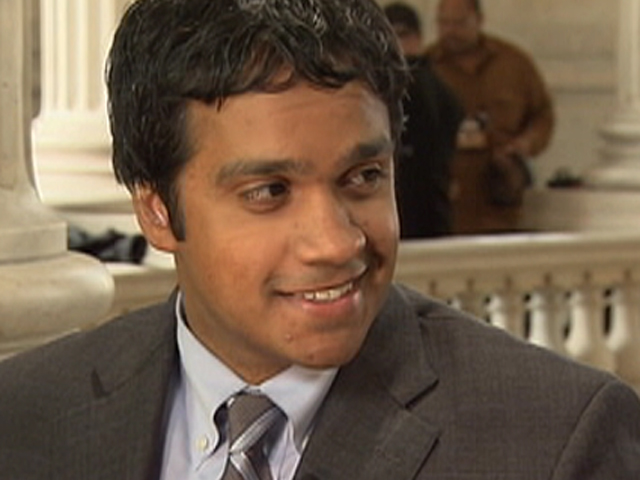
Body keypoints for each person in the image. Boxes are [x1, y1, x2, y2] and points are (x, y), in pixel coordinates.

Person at [0, 0, 639, 478]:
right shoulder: (24, 413)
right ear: (157, 211)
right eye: (269, 192)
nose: (337, 244)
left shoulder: (558, 441)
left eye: (364, 177)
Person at [427, 0, 555, 234]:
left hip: (501, 204)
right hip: (444, 205)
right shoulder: (426, 69)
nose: (450, 31)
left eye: (459, 23)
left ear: (479, 20)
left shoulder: (514, 64)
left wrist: (526, 144)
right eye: (444, 23)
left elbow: (542, 115)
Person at [383, 2, 463, 239]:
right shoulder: (440, 88)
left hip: (411, 210)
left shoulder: (404, 87)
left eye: (400, 34)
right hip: (431, 211)